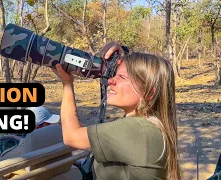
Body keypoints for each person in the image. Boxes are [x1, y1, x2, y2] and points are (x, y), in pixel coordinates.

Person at [51, 41, 181, 180]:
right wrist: (123, 54)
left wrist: (67, 84)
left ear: (149, 93)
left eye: (122, 77)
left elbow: (72, 137)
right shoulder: (148, 126)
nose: (111, 81)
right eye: (115, 75)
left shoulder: (137, 130)